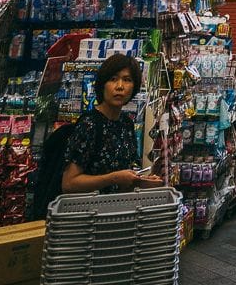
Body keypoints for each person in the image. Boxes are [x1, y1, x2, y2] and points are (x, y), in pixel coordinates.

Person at [62, 53, 163, 193]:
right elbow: (69, 183)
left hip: (117, 210)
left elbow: (122, 183)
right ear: (102, 84)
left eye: (127, 80)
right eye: (113, 79)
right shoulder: (89, 124)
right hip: (89, 211)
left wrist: (141, 182)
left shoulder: (126, 124)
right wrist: (113, 178)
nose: (120, 86)